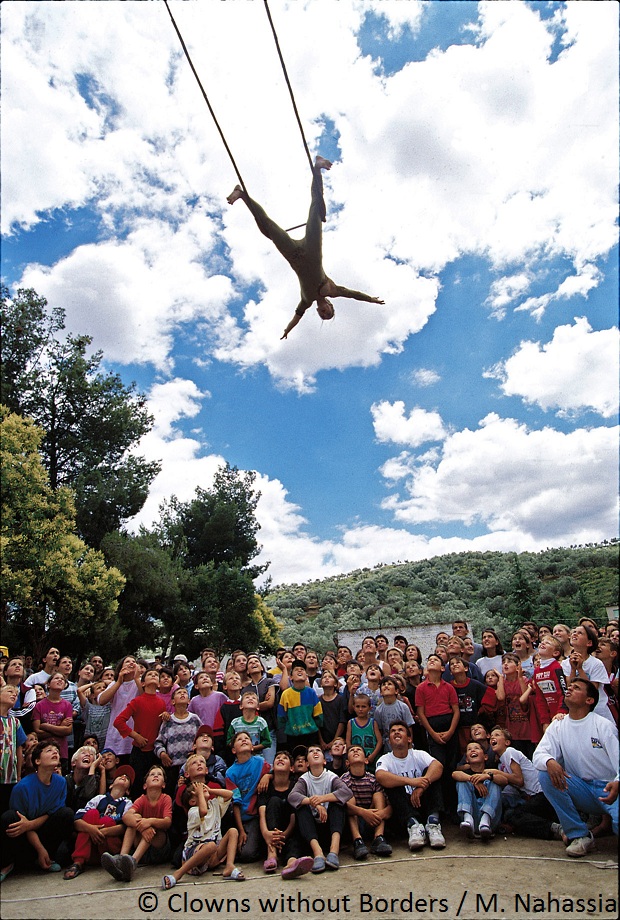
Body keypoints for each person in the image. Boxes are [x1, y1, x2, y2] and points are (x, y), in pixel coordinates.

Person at [227, 156, 384, 339]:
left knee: (268, 228)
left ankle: (242, 194)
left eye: (322, 315)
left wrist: (287, 330)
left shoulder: (306, 301)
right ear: (330, 306)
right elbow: (354, 294)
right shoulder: (333, 291)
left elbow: (296, 317)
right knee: (316, 210)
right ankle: (317, 169)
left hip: (293, 254)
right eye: (327, 312)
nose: (323, 312)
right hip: (312, 248)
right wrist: (371, 299)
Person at [532, 678, 619, 857]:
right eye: (569, 687)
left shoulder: (603, 725)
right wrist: (550, 761)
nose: (569, 689)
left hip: (611, 789)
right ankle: (579, 835)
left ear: (589, 700)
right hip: (582, 789)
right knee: (545, 774)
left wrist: (618, 781)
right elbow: (539, 754)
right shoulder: (558, 725)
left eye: (577, 688)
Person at [1, 741, 74, 881]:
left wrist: (30, 825)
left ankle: (46, 858)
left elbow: (51, 814)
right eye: (49, 750)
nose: (55, 753)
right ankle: (8, 863)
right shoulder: (22, 787)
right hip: (24, 836)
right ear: (37, 761)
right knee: (9, 818)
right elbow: (21, 822)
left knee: (66, 814)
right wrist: (39, 848)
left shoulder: (61, 783)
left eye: (57, 751)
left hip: (40, 830)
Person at [161, 767, 241, 888]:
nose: (202, 789)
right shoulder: (193, 811)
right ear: (192, 801)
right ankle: (179, 873)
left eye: (203, 788)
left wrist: (210, 789)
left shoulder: (214, 805)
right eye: (198, 791)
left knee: (232, 831)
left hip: (212, 858)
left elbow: (229, 794)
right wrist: (200, 794)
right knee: (211, 846)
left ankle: (229, 865)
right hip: (192, 856)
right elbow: (203, 811)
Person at [375, 721, 445, 851]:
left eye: (400, 730)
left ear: (409, 738)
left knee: (430, 773)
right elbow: (380, 776)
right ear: (389, 741)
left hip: (423, 802)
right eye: (392, 731)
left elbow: (438, 766)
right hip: (403, 809)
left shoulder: (419, 754)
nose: (396, 732)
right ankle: (414, 826)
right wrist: (411, 782)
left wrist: (421, 786)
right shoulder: (385, 759)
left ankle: (433, 824)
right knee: (391, 781)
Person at [288, 743, 353, 872]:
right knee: (302, 807)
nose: (315, 752)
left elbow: (346, 792)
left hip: (331, 827)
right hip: (312, 832)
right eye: (311, 752)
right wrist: (314, 803)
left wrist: (322, 799)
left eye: (318, 750)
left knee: (337, 804)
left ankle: (334, 852)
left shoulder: (331, 776)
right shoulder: (304, 779)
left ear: (324, 761)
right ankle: (318, 853)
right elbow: (293, 797)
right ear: (307, 764)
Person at [103, 763, 173, 881]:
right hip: (141, 845)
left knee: (153, 828)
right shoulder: (141, 799)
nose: (155, 776)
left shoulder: (166, 798)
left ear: (164, 784)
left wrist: (149, 822)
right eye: (152, 774)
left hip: (159, 849)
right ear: (145, 785)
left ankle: (133, 862)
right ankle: (122, 859)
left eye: (159, 775)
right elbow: (126, 816)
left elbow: (167, 822)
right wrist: (142, 826)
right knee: (134, 819)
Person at [63, 765, 134, 880]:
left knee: (107, 820)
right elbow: (77, 822)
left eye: (127, 779)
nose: (124, 777)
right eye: (120, 776)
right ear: (111, 785)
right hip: (90, 849)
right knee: (91, 814)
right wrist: (91, 829)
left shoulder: (127, 803)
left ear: (128, 790)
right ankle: (79, 862)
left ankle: (115, 862)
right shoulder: (99, 798)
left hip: (109, 848)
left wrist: (103, 831)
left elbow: (124, 828)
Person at [258, 750, 313, 880]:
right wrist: (266, 833)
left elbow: (294, 818)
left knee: (295, 835)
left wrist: (284, 835)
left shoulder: (295, 786)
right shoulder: (265, 786)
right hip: (269, 831)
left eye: (285, 758)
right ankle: (272, 855)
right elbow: (262, 814)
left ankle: (292, 863)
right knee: (275, 801)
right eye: (277, 757)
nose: (280, 759)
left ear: (292, 768)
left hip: (289, 829)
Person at [340, 744, 392, 859]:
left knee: (378, 795)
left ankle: (378, 837)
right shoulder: (344, 780)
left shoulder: (372, 779)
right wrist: (363, 812)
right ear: (347, 763)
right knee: (349, 798)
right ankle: (357, 841)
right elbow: (341, 807)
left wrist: (380, 814)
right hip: (354, 822)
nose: (355, 751)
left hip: (373, 820)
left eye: (358, 750)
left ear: (366, 760)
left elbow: (390, 806)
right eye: (352, 751)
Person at [226, 731, 271, 863]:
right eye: (239, 739)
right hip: (243, 817)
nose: (244, 740)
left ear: (252, 747)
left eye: (247, 738)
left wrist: (267, 776)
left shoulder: (260, 762)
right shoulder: (230, 773)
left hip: (259, 814)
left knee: (249, 852)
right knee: (246, 854)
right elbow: (236, 802)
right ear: (234, 750)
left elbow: (275, 773)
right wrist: (241, 830)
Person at [452, 741, 503, 840]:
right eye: (469, 749)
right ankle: (467, 818)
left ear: (485, 757)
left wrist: (487, 776)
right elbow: (454, 774)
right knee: (462, 781)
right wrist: (473, 780)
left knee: (494, 781)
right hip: (471, 821)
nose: (473, 750)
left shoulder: (490, 771)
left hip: (490, 821)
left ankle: (485, 819)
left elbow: (504, 780)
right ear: (466, 759)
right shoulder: (465, 773)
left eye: (476, 748)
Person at [31, 672, 74, 774]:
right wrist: (60, 727)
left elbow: (68, 730)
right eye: (56, 678)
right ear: (48, 684)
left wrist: (46, 726)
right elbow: (37, 731)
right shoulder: (39, 705)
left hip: (61, 752)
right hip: (43, 752)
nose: (60, 680)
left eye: (62, 679)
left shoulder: (67, 705)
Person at [277, 659, 323, 750]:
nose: (299, 670)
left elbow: (318, 715)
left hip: (311, 734)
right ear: (291, 677)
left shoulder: (311, 693)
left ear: (306, 676)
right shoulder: (286, 694)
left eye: (302, 669)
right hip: (292, 736)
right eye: (296, 669)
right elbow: (281, 717)